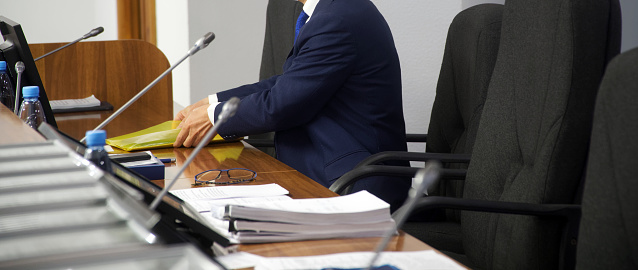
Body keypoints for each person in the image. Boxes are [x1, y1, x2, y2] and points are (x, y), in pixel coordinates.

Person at [174, 0, 410, 210]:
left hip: (355, 184)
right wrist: (214, 102)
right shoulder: (333, 10)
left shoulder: (338, 17)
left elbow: (281, 105)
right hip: (324, 173)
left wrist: (216, 117)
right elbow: (290, 83)